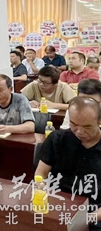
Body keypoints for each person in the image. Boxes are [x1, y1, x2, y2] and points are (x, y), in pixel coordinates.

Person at [35, 96, 101, 229]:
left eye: (87, 127)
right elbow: (41, 174)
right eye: (74, 124)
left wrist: (87, 219)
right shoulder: (57, 139)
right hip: (59, 205)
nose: (80, 132)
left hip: (95, 211)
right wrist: (42, 196)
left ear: (99, 121)